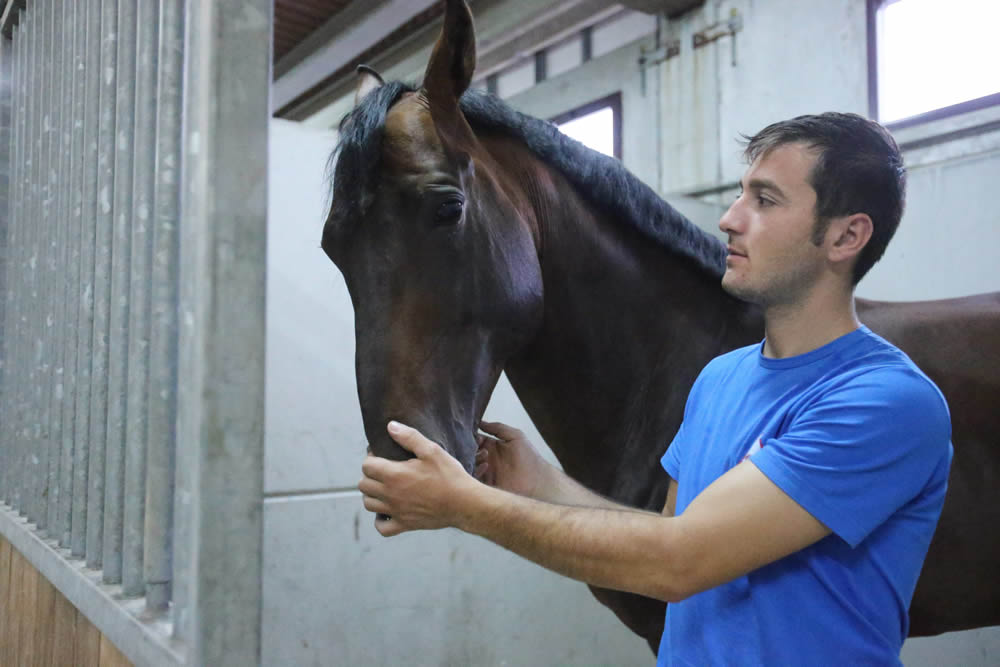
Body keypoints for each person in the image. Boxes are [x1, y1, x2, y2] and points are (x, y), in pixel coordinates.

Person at [358, 112, 953, 665]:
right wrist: (536, 483)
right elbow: (664, 529)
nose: (730, 218)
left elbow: (680, 561)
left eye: (765, 200)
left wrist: (464, 506)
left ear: (846, 237)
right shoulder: (722, 377)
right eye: (741, 192)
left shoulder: (884, 402)